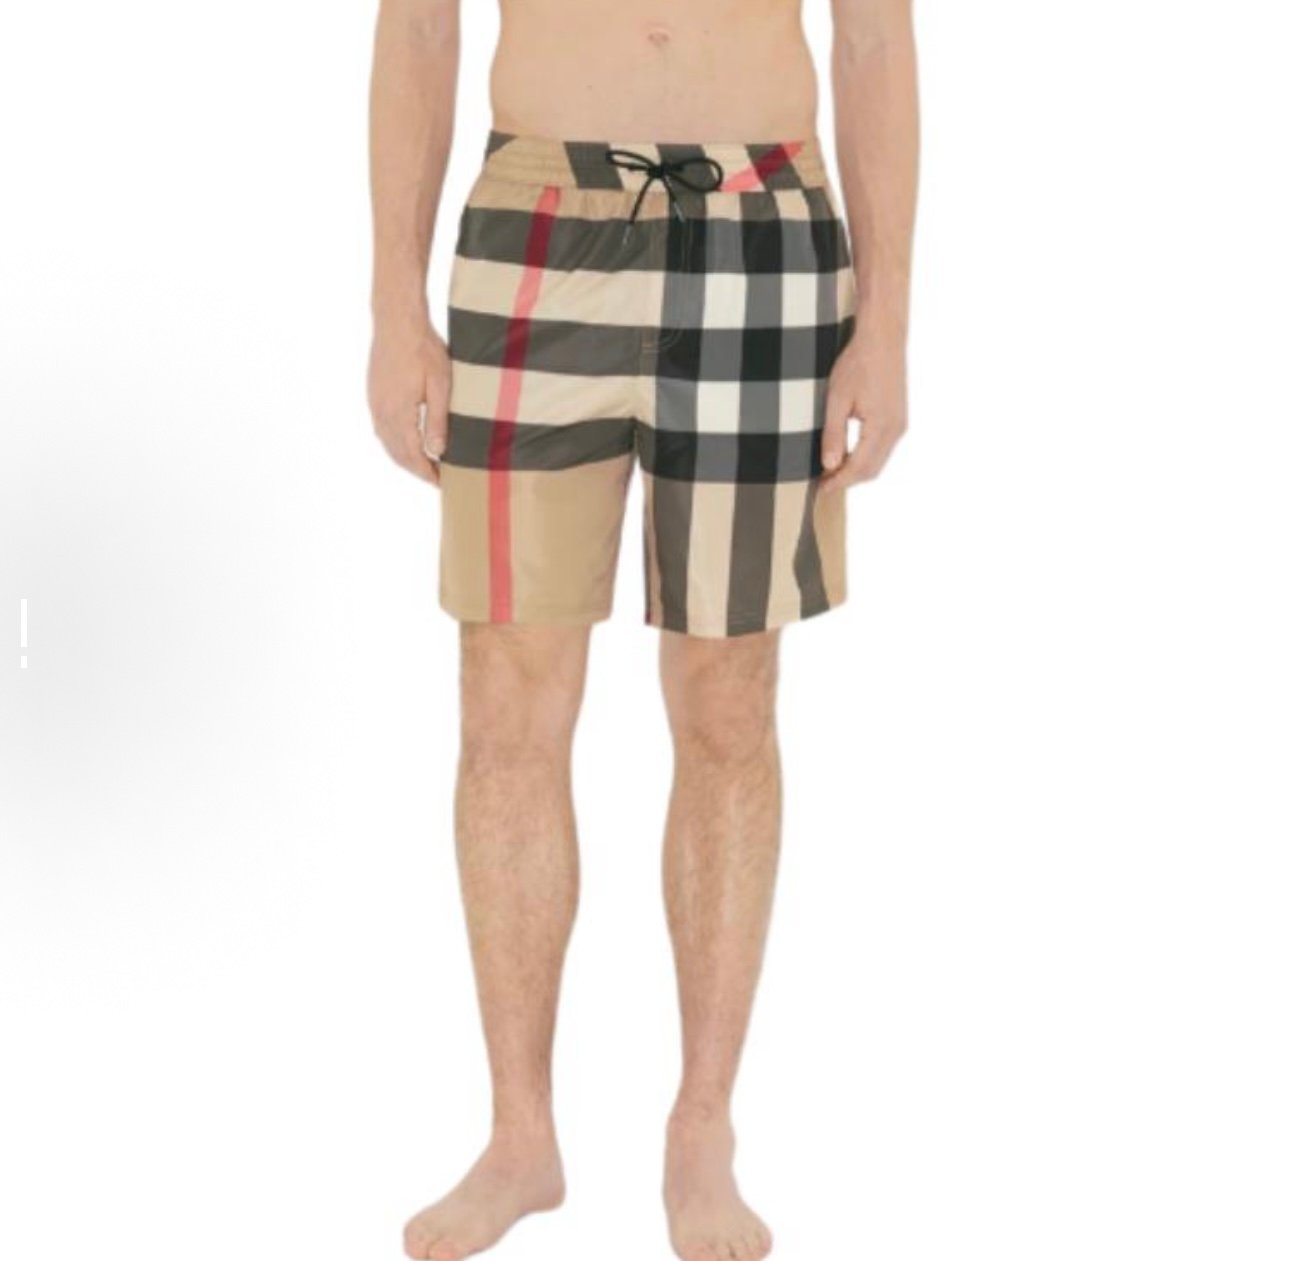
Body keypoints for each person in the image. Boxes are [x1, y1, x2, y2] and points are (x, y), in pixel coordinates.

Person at [366, 1, 918, 1257]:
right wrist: (396, 307)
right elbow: (418, 27)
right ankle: (520, 1134)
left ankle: (702, 1127)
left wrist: (885, 323)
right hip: (534, 221)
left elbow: (876, 38)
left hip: (765, 224)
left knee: (730, 699)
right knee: (507, 694)